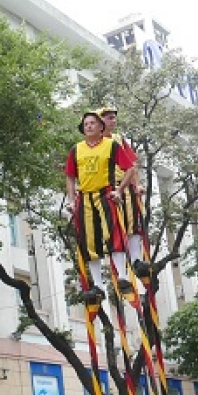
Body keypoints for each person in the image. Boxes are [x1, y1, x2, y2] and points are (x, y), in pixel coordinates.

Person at [66, 111, 138, 299]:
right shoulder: (76, 149)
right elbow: (70, 176)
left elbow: (130, 168)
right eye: (86, 123)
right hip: (85, 199)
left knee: (114, 235)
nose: (88, 126)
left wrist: (119, 191)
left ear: (100, 127)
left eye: (92, 123)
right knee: (89, 241)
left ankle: (123, 277)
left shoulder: (111, 145)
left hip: (106, 195)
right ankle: (98, 285)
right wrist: (71, 200)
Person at [98, 106, 150, 279]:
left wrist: (137, 185)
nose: (113, 121)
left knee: (133, 224)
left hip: (125, 186)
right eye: (109, 118)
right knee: (115, 230)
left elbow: (132, 164)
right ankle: (121, 274)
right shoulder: (94, 143)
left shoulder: (119, 139)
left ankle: (136, 260)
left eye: (114, 118)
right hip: (107, 189)